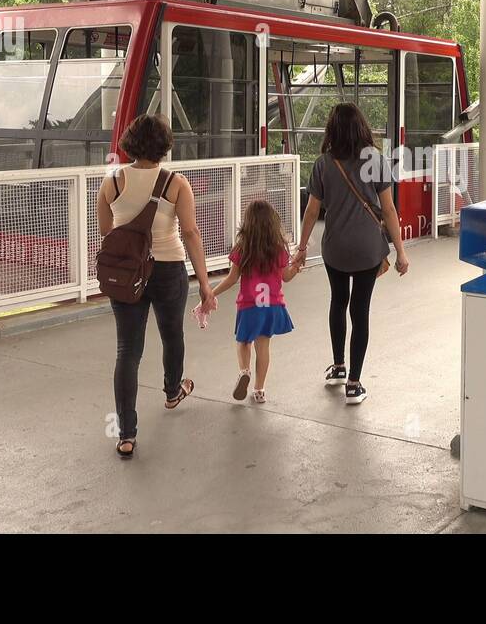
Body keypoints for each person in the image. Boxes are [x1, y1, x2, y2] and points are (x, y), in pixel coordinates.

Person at [97, 114, 215, 458]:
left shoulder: (113, 182)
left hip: (127, 273)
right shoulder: (176, 183)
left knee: (127, 352)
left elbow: (108, 233)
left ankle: (127, 434)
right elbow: (191, 234)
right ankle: (171, 390)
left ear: (130, 143)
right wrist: (206, 285)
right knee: (172, 334)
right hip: (167, 269)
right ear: (165, 145)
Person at [294, 103, 410, 406]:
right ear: (361, 127)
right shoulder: (376, 161)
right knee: (360, 311)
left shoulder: (323, 163)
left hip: (334, 248)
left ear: (331, 128)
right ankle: (355, 384)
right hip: (367, 249)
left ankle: (338, 368)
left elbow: (311, 210)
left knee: (338, 302)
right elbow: (388, 210)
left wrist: (302, 247)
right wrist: (400, 252)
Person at [198, 200, 299, 403]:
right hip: (272, 306)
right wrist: (295, 266)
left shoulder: (242, 248)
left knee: (244, 342)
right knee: (263, 347)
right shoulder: (279, 249)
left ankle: (244, 371)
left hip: (250, 305)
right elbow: (286, 277)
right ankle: (259, 390)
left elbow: (231, 278)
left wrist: (211, 293)